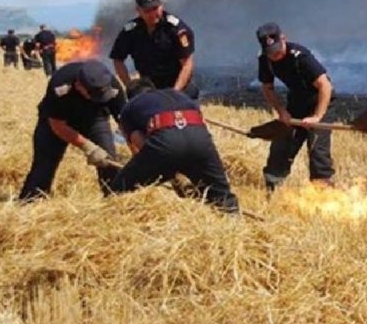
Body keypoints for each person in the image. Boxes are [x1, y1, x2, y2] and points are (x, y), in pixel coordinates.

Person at [108, 78, 239, 213]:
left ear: (130, 96)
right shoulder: (180, 96)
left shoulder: (130, 107)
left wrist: (166, 168)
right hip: (200, 139)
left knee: (119, 190)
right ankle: (235, 222)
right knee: (222, 196)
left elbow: (139, 142)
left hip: (166, 140)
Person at [18, 60, 126, 201]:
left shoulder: (112, 86)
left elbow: (126, 123)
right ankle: (31, 200)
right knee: (44, 164)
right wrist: (88, 147)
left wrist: (139, 155)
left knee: (109, 160)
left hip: (94, 118)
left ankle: (115, 199)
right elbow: (57, 124)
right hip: (57, 121)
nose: (97, 99)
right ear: (79, 85)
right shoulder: (60, 85)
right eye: (93, 95)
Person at [255, 22, 335, 192]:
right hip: (296, 102)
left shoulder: (301, 56)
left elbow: (325, 86)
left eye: (278, 49)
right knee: (282, 145)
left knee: (317, 150)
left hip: (318, 102)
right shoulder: (264, 60)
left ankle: (323, 192)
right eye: (271, 52)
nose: (275, 55)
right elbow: (267, 88)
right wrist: (282, 112)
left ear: (283, 38)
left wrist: (317, 117)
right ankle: (272, 188)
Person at [109, 0, 199, 98]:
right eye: (147, 11)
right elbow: (117, 59)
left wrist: (175, 93)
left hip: (178, 85)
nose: (152, 14)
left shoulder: (176, 29)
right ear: (138, 11)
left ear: (162, 6)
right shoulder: (130, 31)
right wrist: (129, 86)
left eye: (155, 8)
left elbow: (187, 64)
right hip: (148, 86)